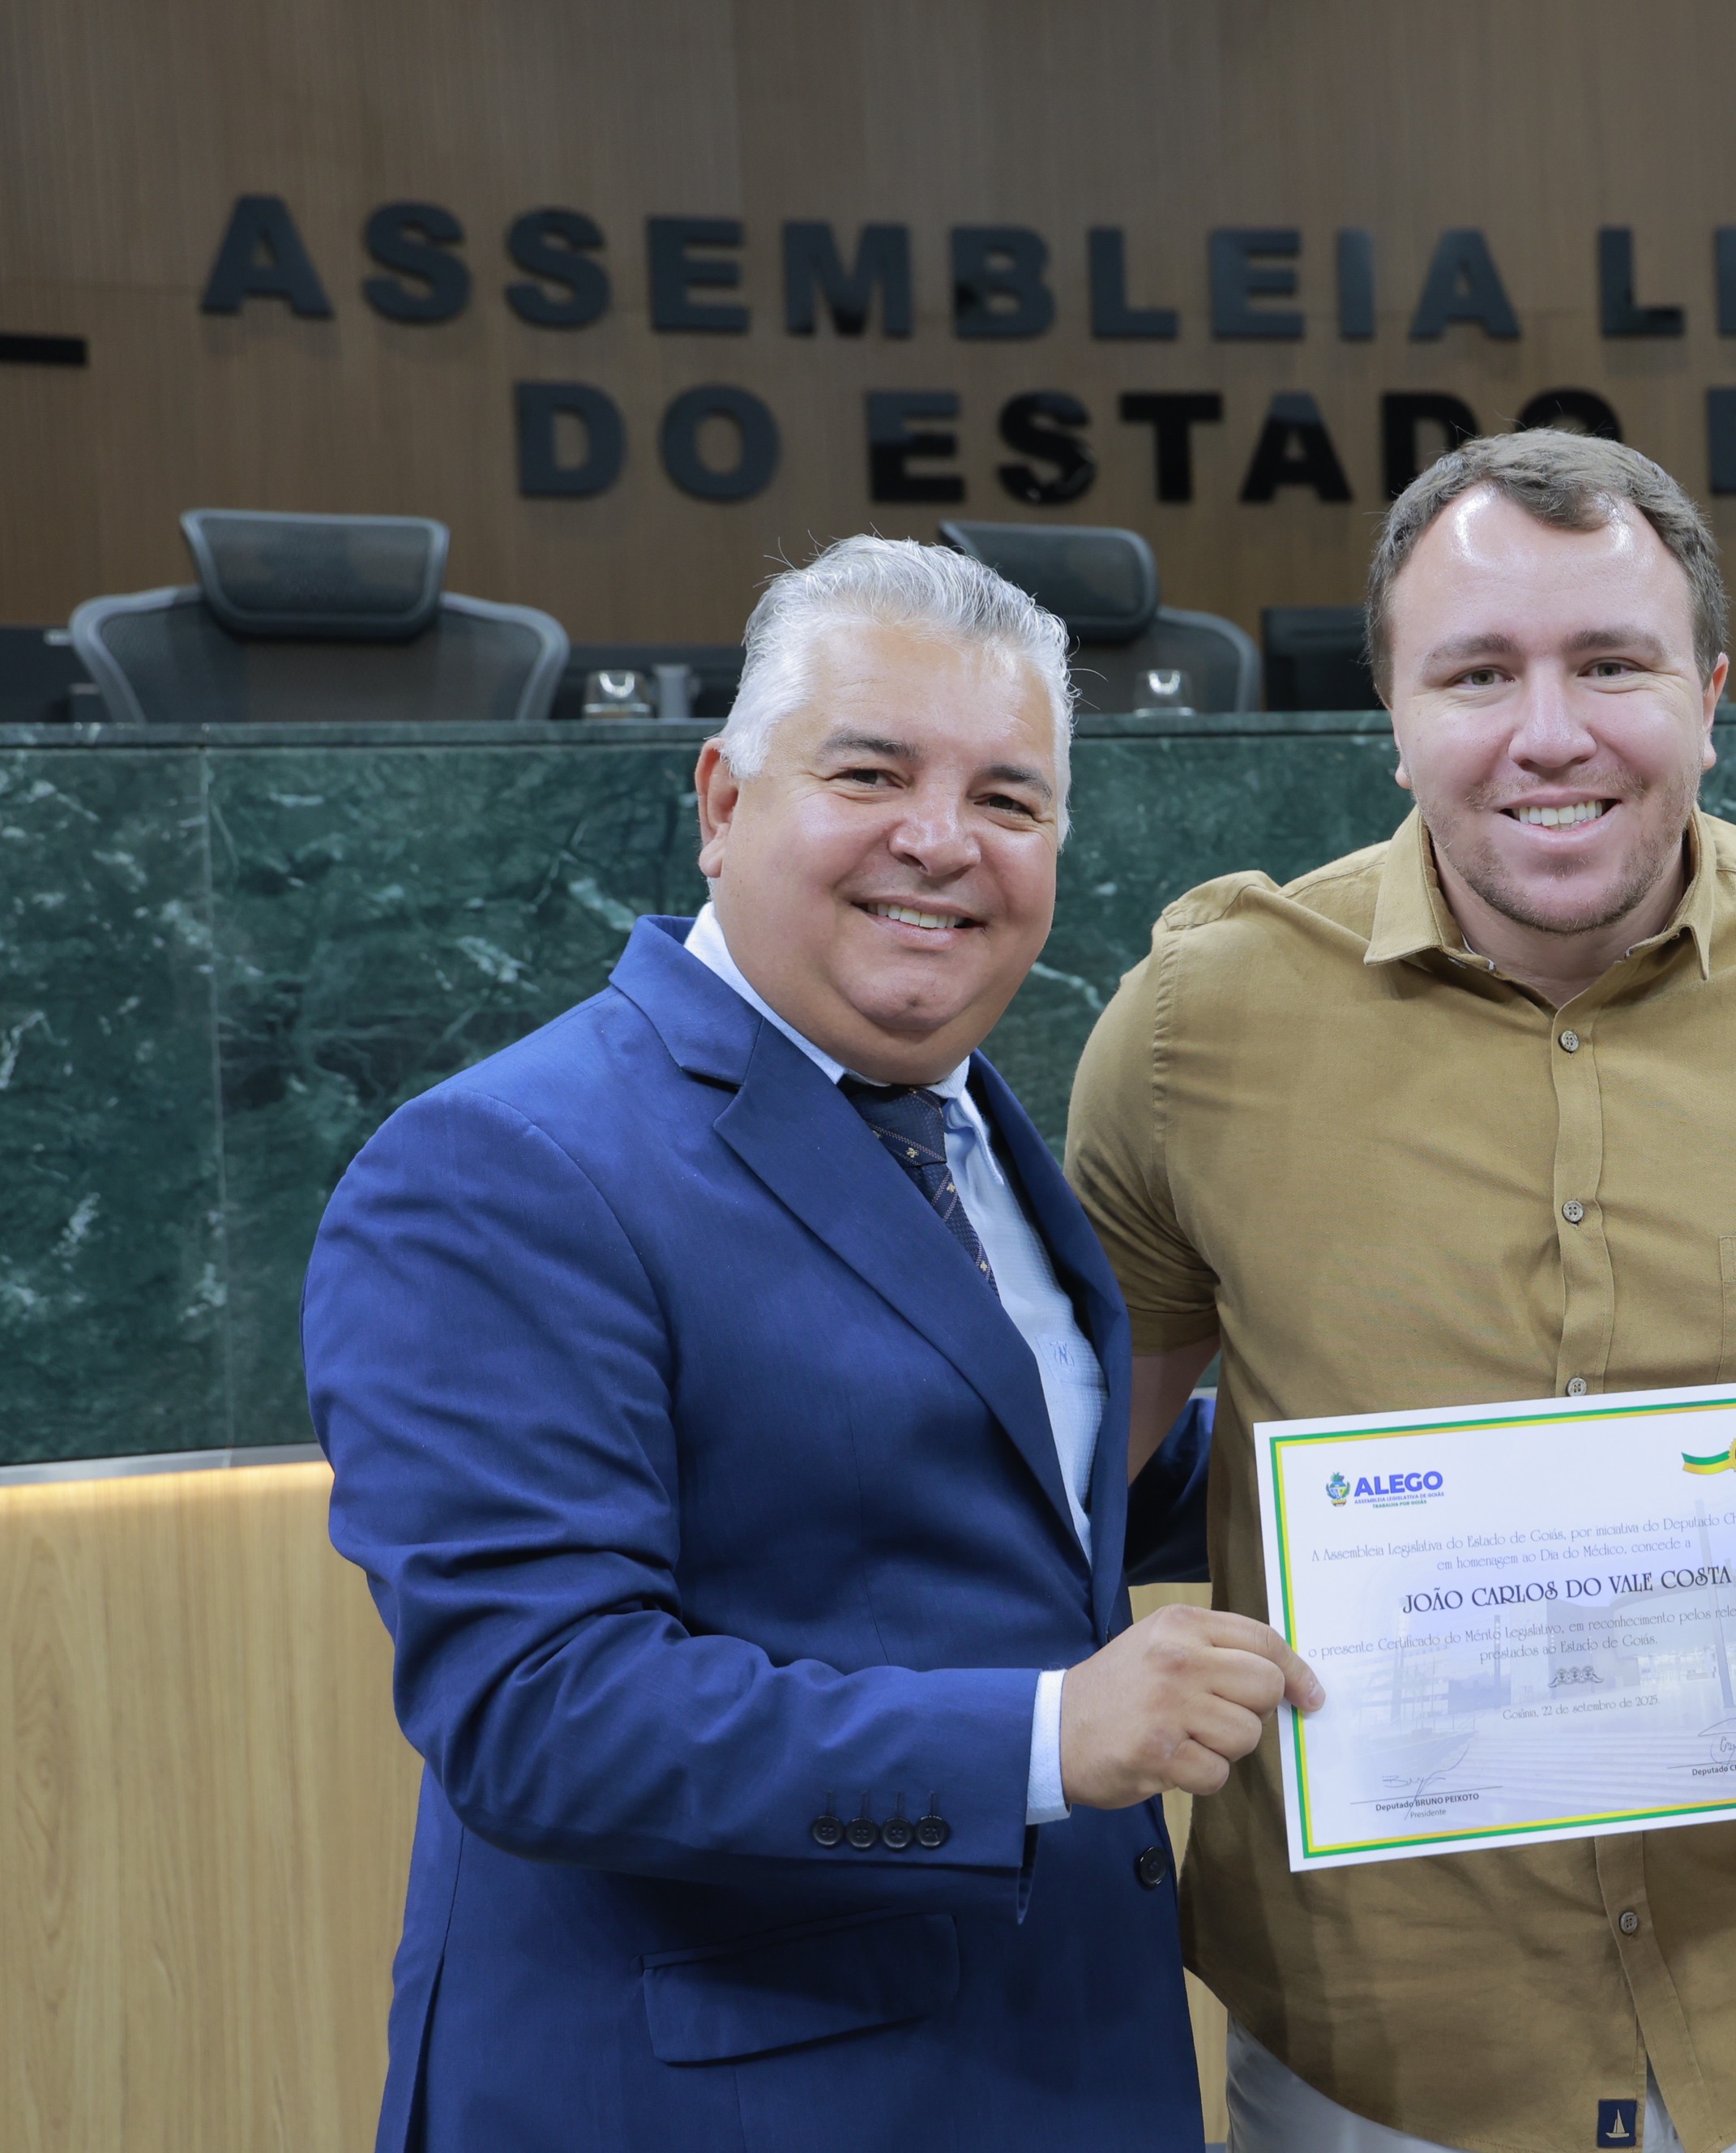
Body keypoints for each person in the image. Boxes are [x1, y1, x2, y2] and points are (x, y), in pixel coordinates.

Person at [1064, 430, 1736, 2153]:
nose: (1549, 732)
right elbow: (1056, 1485)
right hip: (1367, 2049)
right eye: (1478, 673)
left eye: (1612, 664)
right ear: (1394, 711)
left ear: (1709, 697)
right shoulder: (1198, 1028)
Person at [303, 537, 1315, 2153]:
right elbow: (542, 1712)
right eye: (871, 773)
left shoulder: (966, 1123)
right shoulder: (499, 1166)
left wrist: (1429, 1474)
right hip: (715, 2103)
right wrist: (1046, 1737)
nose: (942, 839)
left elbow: (1013, 1473)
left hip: (1052, 2064)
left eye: (1008, 797)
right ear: (720, 801)